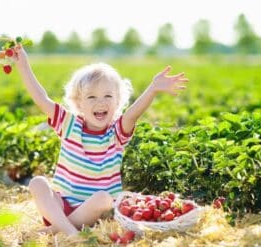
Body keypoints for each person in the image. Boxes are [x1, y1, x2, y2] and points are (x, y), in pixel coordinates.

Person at [12, 45, 188, 235]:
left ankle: (59, 230)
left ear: (117, 101)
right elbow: (41, 97)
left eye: (108, 96)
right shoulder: (69, 124)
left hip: (96, 215)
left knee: (104, 198)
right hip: (60, 208)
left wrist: (153, 89)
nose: (100, 102)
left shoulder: (116, 133)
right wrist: (23, 66)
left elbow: (132, 115)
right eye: (91, 97)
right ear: (79, 103)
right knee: (37, 183)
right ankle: (71, 233)